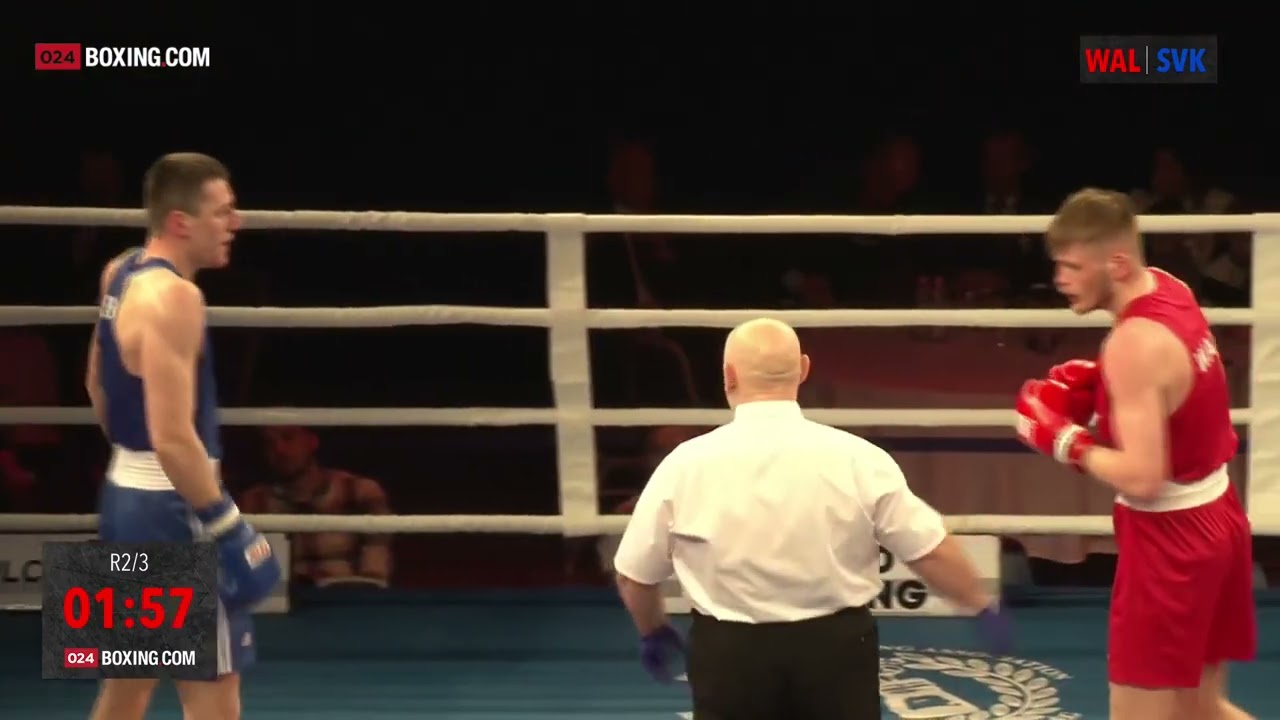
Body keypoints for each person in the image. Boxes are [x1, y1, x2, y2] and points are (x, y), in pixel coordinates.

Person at [612, 317, 1014, 720]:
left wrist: (653, 630)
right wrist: (978, 603)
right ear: (804, 369)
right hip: (836, 650)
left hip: (730, 654)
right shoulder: (859, 458)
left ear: (728, 375)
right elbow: (929, 549)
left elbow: (634, 575)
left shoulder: (685, 464)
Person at [1015, 187, 1256, 720]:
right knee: (1202, 708)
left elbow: (1144, 476)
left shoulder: (1132, 344)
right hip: (1219, 515)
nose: (1060, 279)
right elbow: (1178, 386)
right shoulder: (1170, 288)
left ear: (1118, 263)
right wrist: (1106, 384)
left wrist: (1066, 441)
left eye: (1074, 267)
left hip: (1171, 540)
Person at [85, 152, 282, 720]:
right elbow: (172, 438)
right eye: (222, 212)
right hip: (174, 511)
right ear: (180, 222)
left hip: (125, 497)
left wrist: (137, 466)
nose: (235, 224)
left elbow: (96, 384)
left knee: (128, 684)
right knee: (214, 699)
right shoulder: (176, 298)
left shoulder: (120, 271)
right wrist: (227, 524)